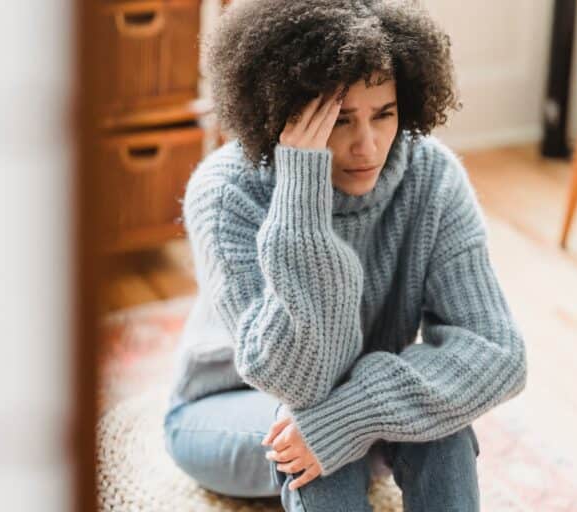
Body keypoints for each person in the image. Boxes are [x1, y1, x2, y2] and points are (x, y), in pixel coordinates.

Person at [162, 0, 528, 510]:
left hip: (348, 397)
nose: (368, 146)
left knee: (435, 427)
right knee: (308, 433)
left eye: (385, 115)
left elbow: (497, 352)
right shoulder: (227, 193)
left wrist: (354, 415)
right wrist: (300, 198)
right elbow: (297, 379)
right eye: (338, 121)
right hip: (226, 407)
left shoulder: (431, 177)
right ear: (284, 114)